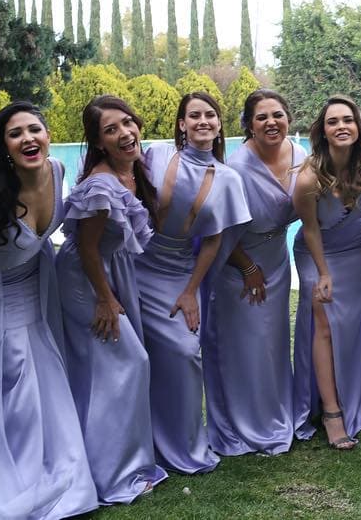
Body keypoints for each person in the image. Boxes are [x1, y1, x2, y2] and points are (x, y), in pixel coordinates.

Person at [0, 101, 99, 518]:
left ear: (48, 133)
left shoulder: (57, 170)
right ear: (3, 146)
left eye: (33, 129)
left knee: (46, 374)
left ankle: (55, 466)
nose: (28, 139)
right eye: (15, 133)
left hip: (38, 286)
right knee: (11, 376)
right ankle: (14, 474)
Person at [56, 95, 168, 502]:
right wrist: (105, 299)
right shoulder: (102, 185)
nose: (124, 133)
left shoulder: (136, 170)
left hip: (109, 272)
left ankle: (118, 462)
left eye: (127, 123)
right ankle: (112, 474)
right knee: (129, 363)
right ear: (99, 143)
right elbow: (85, 249)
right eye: (111, 130)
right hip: (84, 279)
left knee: (109, 370)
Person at [135, 91, 250, 473]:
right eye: (194, 115)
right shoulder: (154, 154)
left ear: (219, 125)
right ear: (181, 124)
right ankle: (136, 444)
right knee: (130, 358)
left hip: (177, 271)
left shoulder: (230, 179)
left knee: (185, 353)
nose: (204, 121)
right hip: (132, 262)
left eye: (211, 115)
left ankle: (183, 446)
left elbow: (215, 240)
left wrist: (191, 292)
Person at [202, 89, 305, 456]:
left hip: (278, 259)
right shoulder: (236, 169)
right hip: (240, 263)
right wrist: (247, 267)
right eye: (261, 117)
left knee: (273, 344)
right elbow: (217, 231)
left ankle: (275, 412)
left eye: (277, 114)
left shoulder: (301, 155)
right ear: (248, 125)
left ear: (288, 118)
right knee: (246, 346)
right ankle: (248, 422)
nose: (271, 122)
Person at [291, 96, 361, 449]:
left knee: (351, 321)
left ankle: (352, 390)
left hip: (355, 249)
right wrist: (322, 273)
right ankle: (331, 412)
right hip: (316, 252)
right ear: (322, 132)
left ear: (358, 127)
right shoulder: (309, 178)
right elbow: (309, 230)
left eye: (347, 120)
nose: (341, 126)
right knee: (322, 320)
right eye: (332, 121)